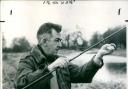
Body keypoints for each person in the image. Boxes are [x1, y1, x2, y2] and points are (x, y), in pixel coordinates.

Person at [15, 22, 116, 89]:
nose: (60, 45)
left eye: (61, 41)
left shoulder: (59, 60)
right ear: (44, 41)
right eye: (57, 40)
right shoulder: (28, 60)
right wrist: (50, 68)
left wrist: (99, 56)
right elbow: (21, 85)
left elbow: (81, 75)